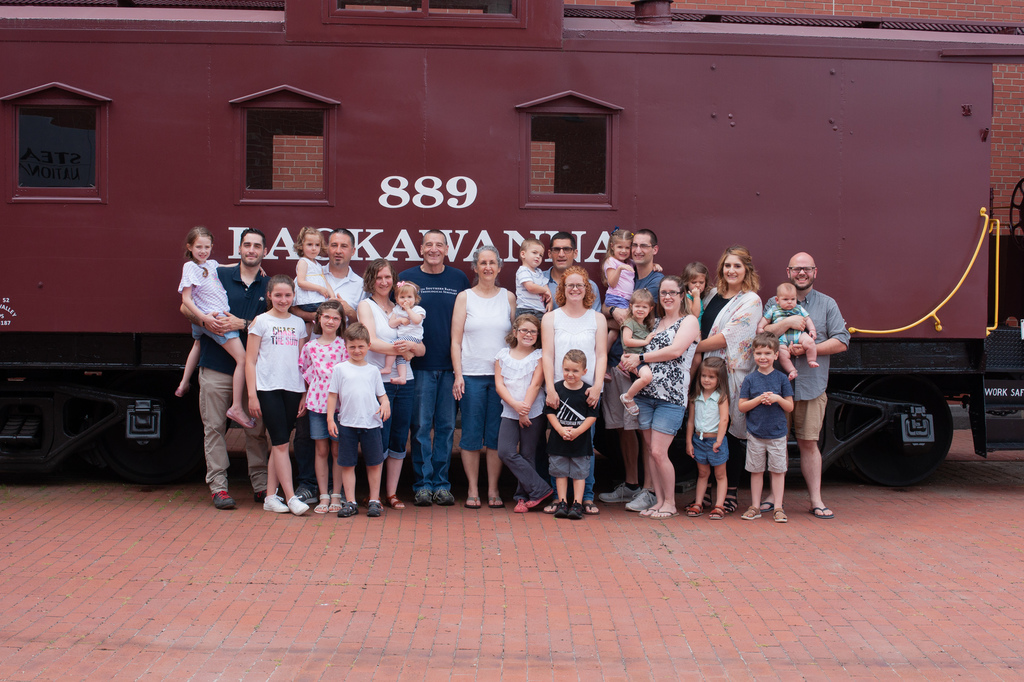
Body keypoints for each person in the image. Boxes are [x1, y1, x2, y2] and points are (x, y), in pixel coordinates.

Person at [181, 227, 269, 510]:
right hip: (216, 366)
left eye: (257, 246)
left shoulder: (269, 286)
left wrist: (242, 324)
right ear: (239, 249)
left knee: (255, 430)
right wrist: (207, 322)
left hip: (252, 371)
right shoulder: (216, 274)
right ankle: (218, 488)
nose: (251, 250)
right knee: (214, 429)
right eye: (247, 245)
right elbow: (184, 308)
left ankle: (261, 486)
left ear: (264, 251)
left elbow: (276, 323)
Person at [762, 252, 849, 520]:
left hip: (812, 386)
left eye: (807, 269)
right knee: (776, 443)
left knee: (809, 443)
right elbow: (760, 336)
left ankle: (816, 500)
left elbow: (842, 341)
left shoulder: (827, 304)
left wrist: (809, 349)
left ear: (815, 272)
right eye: (796, 269)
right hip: (777, 386)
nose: (802, 273)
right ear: (788, 272)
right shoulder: (774, 302)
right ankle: (774, 497)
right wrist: (787, 323)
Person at [290, 228, 365, 507]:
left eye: (344, 246)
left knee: (338, 443)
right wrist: (319, 315)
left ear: (352, 250)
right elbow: (293, 307)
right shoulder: (312, 272)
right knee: (307, 434)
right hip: (314, 364)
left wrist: (343, 310)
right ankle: (309, 485)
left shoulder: (360, 284)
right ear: (326, 248)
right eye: (333, 245)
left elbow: (361, 319)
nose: (338, 250)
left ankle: (337, 492)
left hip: (340, 367)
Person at [618, 276, 701, 519]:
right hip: (645, 395)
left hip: (671, 397)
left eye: (672, 292)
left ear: (682, 295)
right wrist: (629, 360)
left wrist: (641, 358)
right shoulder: (654, 323)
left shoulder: (689, 321)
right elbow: (635, 348)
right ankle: (658, 501)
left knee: (658, 451)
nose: (667, 297)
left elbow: (675, 351)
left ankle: (670, 503)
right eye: (663, 292)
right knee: (651, 450)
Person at [400, 230, 470, 507]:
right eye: (428, 244)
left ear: (446, 249)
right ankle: (422, 485)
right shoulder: (407, 278)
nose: (433, 249)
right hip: (419, 366)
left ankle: (441, 484)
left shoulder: (458, 278)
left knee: (446, 427)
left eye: (439, 244)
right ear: (421, 249)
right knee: (420, 428)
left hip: (450, 366)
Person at [694, 246, 762, 514]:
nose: (731, 270)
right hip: (707, 371)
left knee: (730, 432)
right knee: (706, 428)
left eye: (737, 266)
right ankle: (708, 491)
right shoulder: (712, 295)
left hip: (732, 375)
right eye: (727, 265)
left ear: (747, 270)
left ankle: (731, 490)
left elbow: (728, 337)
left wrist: (687, 346)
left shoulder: (751, 300)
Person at [600, 229, 663, 511]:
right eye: (633, 245)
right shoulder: (626, 273)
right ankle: (632, 484)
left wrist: (619, 321)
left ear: (654, 250)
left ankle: (650, 490)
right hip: (617, 361)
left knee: (644, 429)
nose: (636, 250)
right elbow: (606, 308)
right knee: (625, 429)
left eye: (643, 246)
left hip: (640, 364)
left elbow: (652, 324)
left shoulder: (657, 282)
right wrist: (613, 313)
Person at [357, 259, 425, 511]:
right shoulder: (366, 306)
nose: (384, 282)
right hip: (379, 382)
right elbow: (371, 342)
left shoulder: (403, 306)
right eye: (379, 277)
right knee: (378, 438)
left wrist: (412, 349)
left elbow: (421, 347)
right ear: (371, 280)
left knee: (398, 438)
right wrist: (404, 351)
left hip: (405, 381)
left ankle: (392, 493)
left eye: (388, 277)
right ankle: (374, 494)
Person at [452, 245, 517, 508]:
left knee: (495, 436)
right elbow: (456, 341)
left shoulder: (508, 298)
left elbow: (515, 339)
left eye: (492, 263)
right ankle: (472, 488)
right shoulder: (464, 297)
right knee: (470, 434)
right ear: (475, 268)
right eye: (482, 263)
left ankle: (492, 489)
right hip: (471, 375)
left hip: (501, 378)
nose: (487, 267)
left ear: (499, 267)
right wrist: (458, 374)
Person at [541, 265, 607, 515]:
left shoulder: (597, 318)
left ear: (587, 288)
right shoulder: (551, 318)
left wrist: (597, 386)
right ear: (563, 288)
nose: (575, 289)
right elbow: (548, 355)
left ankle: (585, 498)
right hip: (558, 391)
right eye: (571, 285)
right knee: (557, 445)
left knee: (585, 446)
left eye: (580, 285)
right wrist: (550, 388)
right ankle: (559, 499)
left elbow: (601, 355)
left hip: (587, 392)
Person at [176, 226, 252, 429]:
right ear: (189, 247)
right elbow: (186, 299)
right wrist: (203, 319)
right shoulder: (190, 267)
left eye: (207, 247)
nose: (203, 251)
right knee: (242, 359)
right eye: (198, 247)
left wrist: (248, 266)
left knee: (197, 345)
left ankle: (184, 383)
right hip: (215, 319)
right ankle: (236, 407)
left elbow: (226, 266)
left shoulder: (210, 264)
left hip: (208, 319)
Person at [244, 275, 308, 516]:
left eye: (288, 295)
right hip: (268, 388)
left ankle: (270, 497)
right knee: (281, 443)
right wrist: (252, 395)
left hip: (292, 388)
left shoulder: (298, 323)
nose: (283, 300)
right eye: (278, 295)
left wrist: (304, 393)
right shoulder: (261, 322)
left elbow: (302, 362)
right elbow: (250, 361)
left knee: (280, 443)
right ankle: (291, 497)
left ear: (293, 296)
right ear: (269, 295)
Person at [327, 323, 391, 518]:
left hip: (371, 423)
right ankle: (351, 502)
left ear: (368, 346)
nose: (357, 350)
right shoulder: (340, 369)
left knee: (374, 463)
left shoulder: (373, 371)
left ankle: (374, 500)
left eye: (361, 346)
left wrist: (386, 403)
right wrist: (330, 419)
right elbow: (332, 395)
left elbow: (382, 395)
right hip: (347, 424)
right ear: (345, 346)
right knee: (347, 464)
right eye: (352, 346)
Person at [494, 314, 552, 513]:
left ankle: (523, 497)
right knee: (505, 451)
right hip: (510, 410)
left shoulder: (539, 356)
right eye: (524, 330)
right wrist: (515, 407)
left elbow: (535, 384)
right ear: (515, 332)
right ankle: (541, 488)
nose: (528, 334)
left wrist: (524, 410)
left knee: (528, 454)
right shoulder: (502, 355)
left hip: (532, 411)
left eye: (533, 331)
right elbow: (499, 384)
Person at [738, 333, 794, 523]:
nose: (763, 357)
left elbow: (789, 406)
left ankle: (778, 507)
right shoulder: (750, 379)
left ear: (776, 355)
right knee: (756, 471)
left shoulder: (781, 379)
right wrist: (758, 400)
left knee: (777, 471)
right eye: (759, 353)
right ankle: (755, 506)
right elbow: (742, 406)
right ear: (753, 354)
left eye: (768, 353)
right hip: (755, 433)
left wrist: (777, 398)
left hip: (777, 434)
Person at [298, 300, 347, 514]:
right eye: (326, 317)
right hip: (317, 405)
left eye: (335, 318)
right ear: (318, 319)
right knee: (321, 450)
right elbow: (305, 372)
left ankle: (336, 493)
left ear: (341, 322)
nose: (330, 321)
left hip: (340, 406)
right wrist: (305, 395)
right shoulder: (310, 347)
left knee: (337, 450)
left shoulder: (344, 345)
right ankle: (323, 495)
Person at [545, 350, 599, 520]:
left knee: (579, 473)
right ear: (561, 368)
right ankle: (562, 502)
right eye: (567, 370)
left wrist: (577, 431)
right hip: (558, 440)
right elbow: (549, 412)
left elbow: (592, 416)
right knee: (560, 472)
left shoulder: (588, 392)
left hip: (580, 442)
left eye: (575, 371)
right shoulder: (556, 389)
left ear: (584, 371)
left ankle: (577, 503)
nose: (570, 374)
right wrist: (560, 429)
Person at [684, 357, 730, 520]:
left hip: (715, 441)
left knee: (720, 474)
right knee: (703, 473)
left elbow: (724, 419)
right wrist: (689, 441)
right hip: (699, 440)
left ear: (719, 379)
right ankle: (698, 503)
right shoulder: (695, 397)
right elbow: (691, 421)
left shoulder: (721, 397)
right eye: (703, 376)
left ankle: (719, 505)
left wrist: (719, 440)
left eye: (711, 377)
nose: (706, 380)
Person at [758, 282, 818, 380]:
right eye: (785, 299)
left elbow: (807, 319)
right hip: (782, 338)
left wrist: (812, 330)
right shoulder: (774, 309)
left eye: (793, 299)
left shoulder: (799, 308)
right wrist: (760, 327)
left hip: (798, 335)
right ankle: (792, 370)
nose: (790, 302)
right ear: (777, 300)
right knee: (782, 354)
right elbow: (765, 319)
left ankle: (811, 360)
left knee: (810, 342)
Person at [617, 288, 656, 416]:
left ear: (650, 309)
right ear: (631, 306)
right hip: (632, 357)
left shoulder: (647, 325)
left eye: (644, 307)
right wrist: (645, 341)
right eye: (637, 306)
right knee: (647, 377)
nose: (640, 309)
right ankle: (628, 397)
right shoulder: (629, 323)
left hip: (642, 358)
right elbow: (627, 341)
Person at [379, 280, 425, 384]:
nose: (406, 300)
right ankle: (402, 377)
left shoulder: (418, 309)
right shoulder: (397, 309)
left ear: (415, 298)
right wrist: (400, 320)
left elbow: (417, 320)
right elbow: (391, 324)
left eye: (409, 297)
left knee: (393, 344)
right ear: (396, 299)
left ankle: (387, 367)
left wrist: (408, 309)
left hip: (414, 337)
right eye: (402, 297)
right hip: (403, 337)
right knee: (400, 358)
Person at [292, 226, 332, 330]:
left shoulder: (318, 265)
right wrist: (319, 288)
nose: (314, 248)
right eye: (309, 244)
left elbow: (325, 282)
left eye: (317, 245)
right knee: (329, 314)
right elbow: (301, 282)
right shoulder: (303, 262)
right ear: (301, 246)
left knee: (309, 326)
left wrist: (332, 297)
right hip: (308, 302)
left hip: (317, 300)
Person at [601, 228, 635, 347]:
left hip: (625, 299)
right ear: (612, 246)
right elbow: (612, 283)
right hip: (616, 298)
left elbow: (641, 265)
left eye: (627, 248)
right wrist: (619, 269)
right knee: (628, 326)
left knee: (614, 333)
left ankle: (604, 352)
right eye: (620, 247)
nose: (623, 251)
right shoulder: (611, 261)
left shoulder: (629, 262)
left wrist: (654, 265)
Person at [514, 237, 551, 318]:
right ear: (523, 254)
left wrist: (550, 301)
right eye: (534, 252)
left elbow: (545, 286)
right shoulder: (523, 270)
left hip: (540, 311)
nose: (538, 256)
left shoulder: (539, 272)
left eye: (541, 255)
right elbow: (530, 287)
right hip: (526, 310)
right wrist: (545, 291)